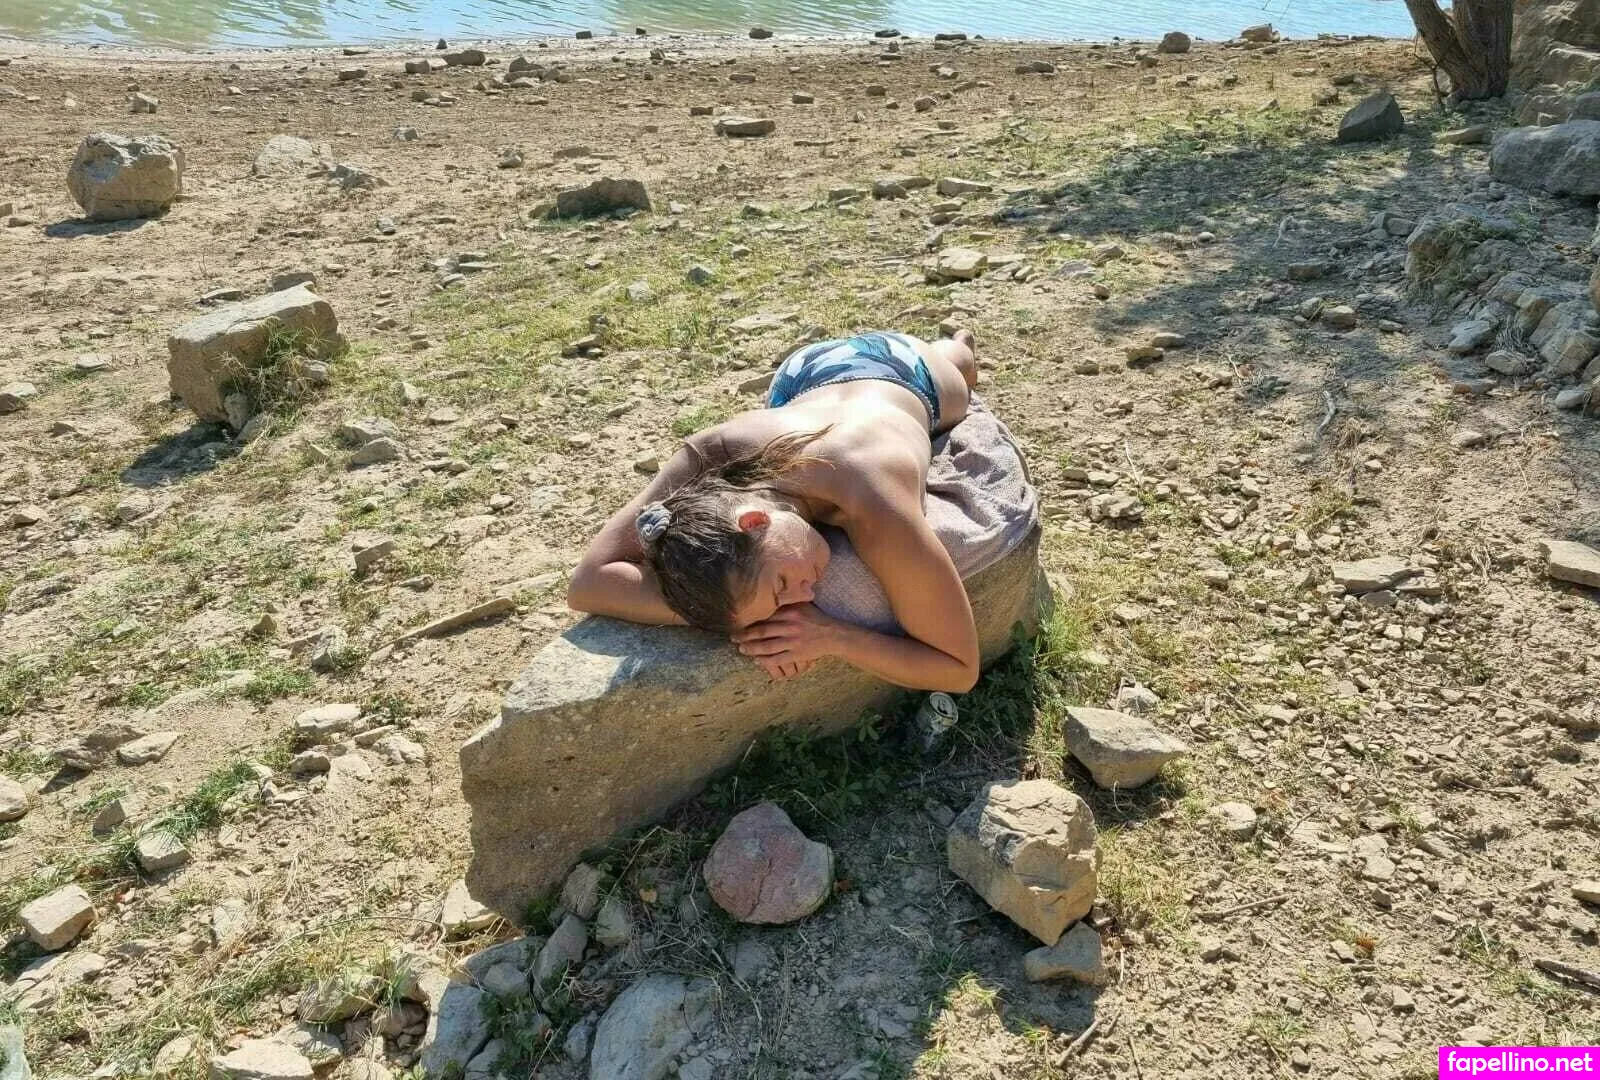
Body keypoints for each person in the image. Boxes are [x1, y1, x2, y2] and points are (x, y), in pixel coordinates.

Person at [567, 329, 981, 693]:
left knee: (956, 372)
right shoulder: (711, 453)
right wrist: (734, 614)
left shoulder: (874, 501)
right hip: (797, 380)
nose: (804, 598)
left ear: (754, 521)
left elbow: (959, 669)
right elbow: (587, 584)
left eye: (782, 585)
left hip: (906, 371)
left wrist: (835, 637)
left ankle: (956, 347)